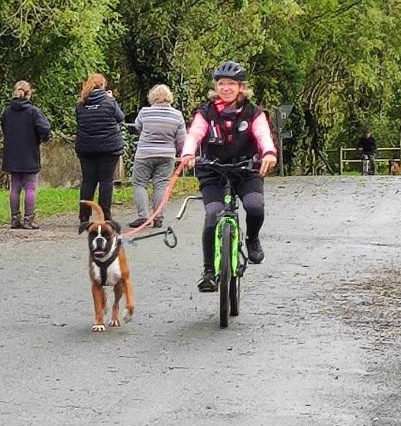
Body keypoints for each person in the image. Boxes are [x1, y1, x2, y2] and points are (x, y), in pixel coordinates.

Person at [180, 61, 277, 292]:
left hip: (246, 170)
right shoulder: (206, 112)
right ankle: (208, 272)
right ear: (216, 86)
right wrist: (188, 153)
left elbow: (263, 135)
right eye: (222, 84)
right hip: (213, 170)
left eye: (231, 84)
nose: (226, 88)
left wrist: (269, 153)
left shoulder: (254, 113)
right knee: (213, 214)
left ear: (241, 87)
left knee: (255, 206)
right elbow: (194, 134)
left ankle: (252, 238)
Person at [129, 84, 186, 229]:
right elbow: (181, 139)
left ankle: (143, 216)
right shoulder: (177, 115)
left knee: (139, 183)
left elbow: (137, 127)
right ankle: (158, 217)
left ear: (152, 97)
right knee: (161, 185)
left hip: (145, 154)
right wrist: (184, 154)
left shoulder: (145, 112)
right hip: (167, 155)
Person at [75, 73, 125, 232]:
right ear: (103, 86)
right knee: (106, 181)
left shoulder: (81, 104)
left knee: (88, 181)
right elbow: (120, 117)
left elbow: (79, 120)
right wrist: (112, 99)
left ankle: (84, 216)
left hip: (87, 147)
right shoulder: (109, 102)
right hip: (109, 148)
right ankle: (105, 215)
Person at [0, 80, 51, 229]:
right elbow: (45, 129)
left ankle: (15, 219)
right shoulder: (33, 112)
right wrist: (42, 138)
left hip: (12, 154)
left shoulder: (7, 111)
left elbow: (4, 127)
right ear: (29, 93)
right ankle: (29, 220)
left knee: (15, 188)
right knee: (30, 188)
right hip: (29, 154)